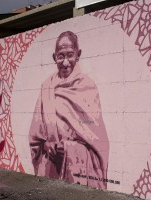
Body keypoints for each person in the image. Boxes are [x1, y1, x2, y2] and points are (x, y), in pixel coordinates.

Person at [29, 31, 109, 189]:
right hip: (50, 167)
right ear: (54, 57)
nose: (65, 62)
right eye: (61, 56)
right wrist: (47, 146)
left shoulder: (87, 86)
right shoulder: (47, 87)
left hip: (77, 171)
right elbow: (35, 137)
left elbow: (97, 141)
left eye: (70, 55)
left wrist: (68, 149)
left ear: (78, 55)